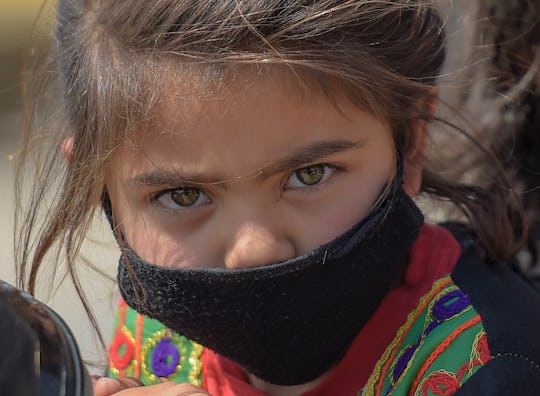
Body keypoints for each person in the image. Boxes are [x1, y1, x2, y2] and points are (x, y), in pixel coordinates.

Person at [15, 1, 540, 395]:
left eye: (310, 174)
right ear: (98, 186)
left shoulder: (493, 365)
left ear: (413, 139)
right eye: (182, 194)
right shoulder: (162, 331)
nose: (254, 250)